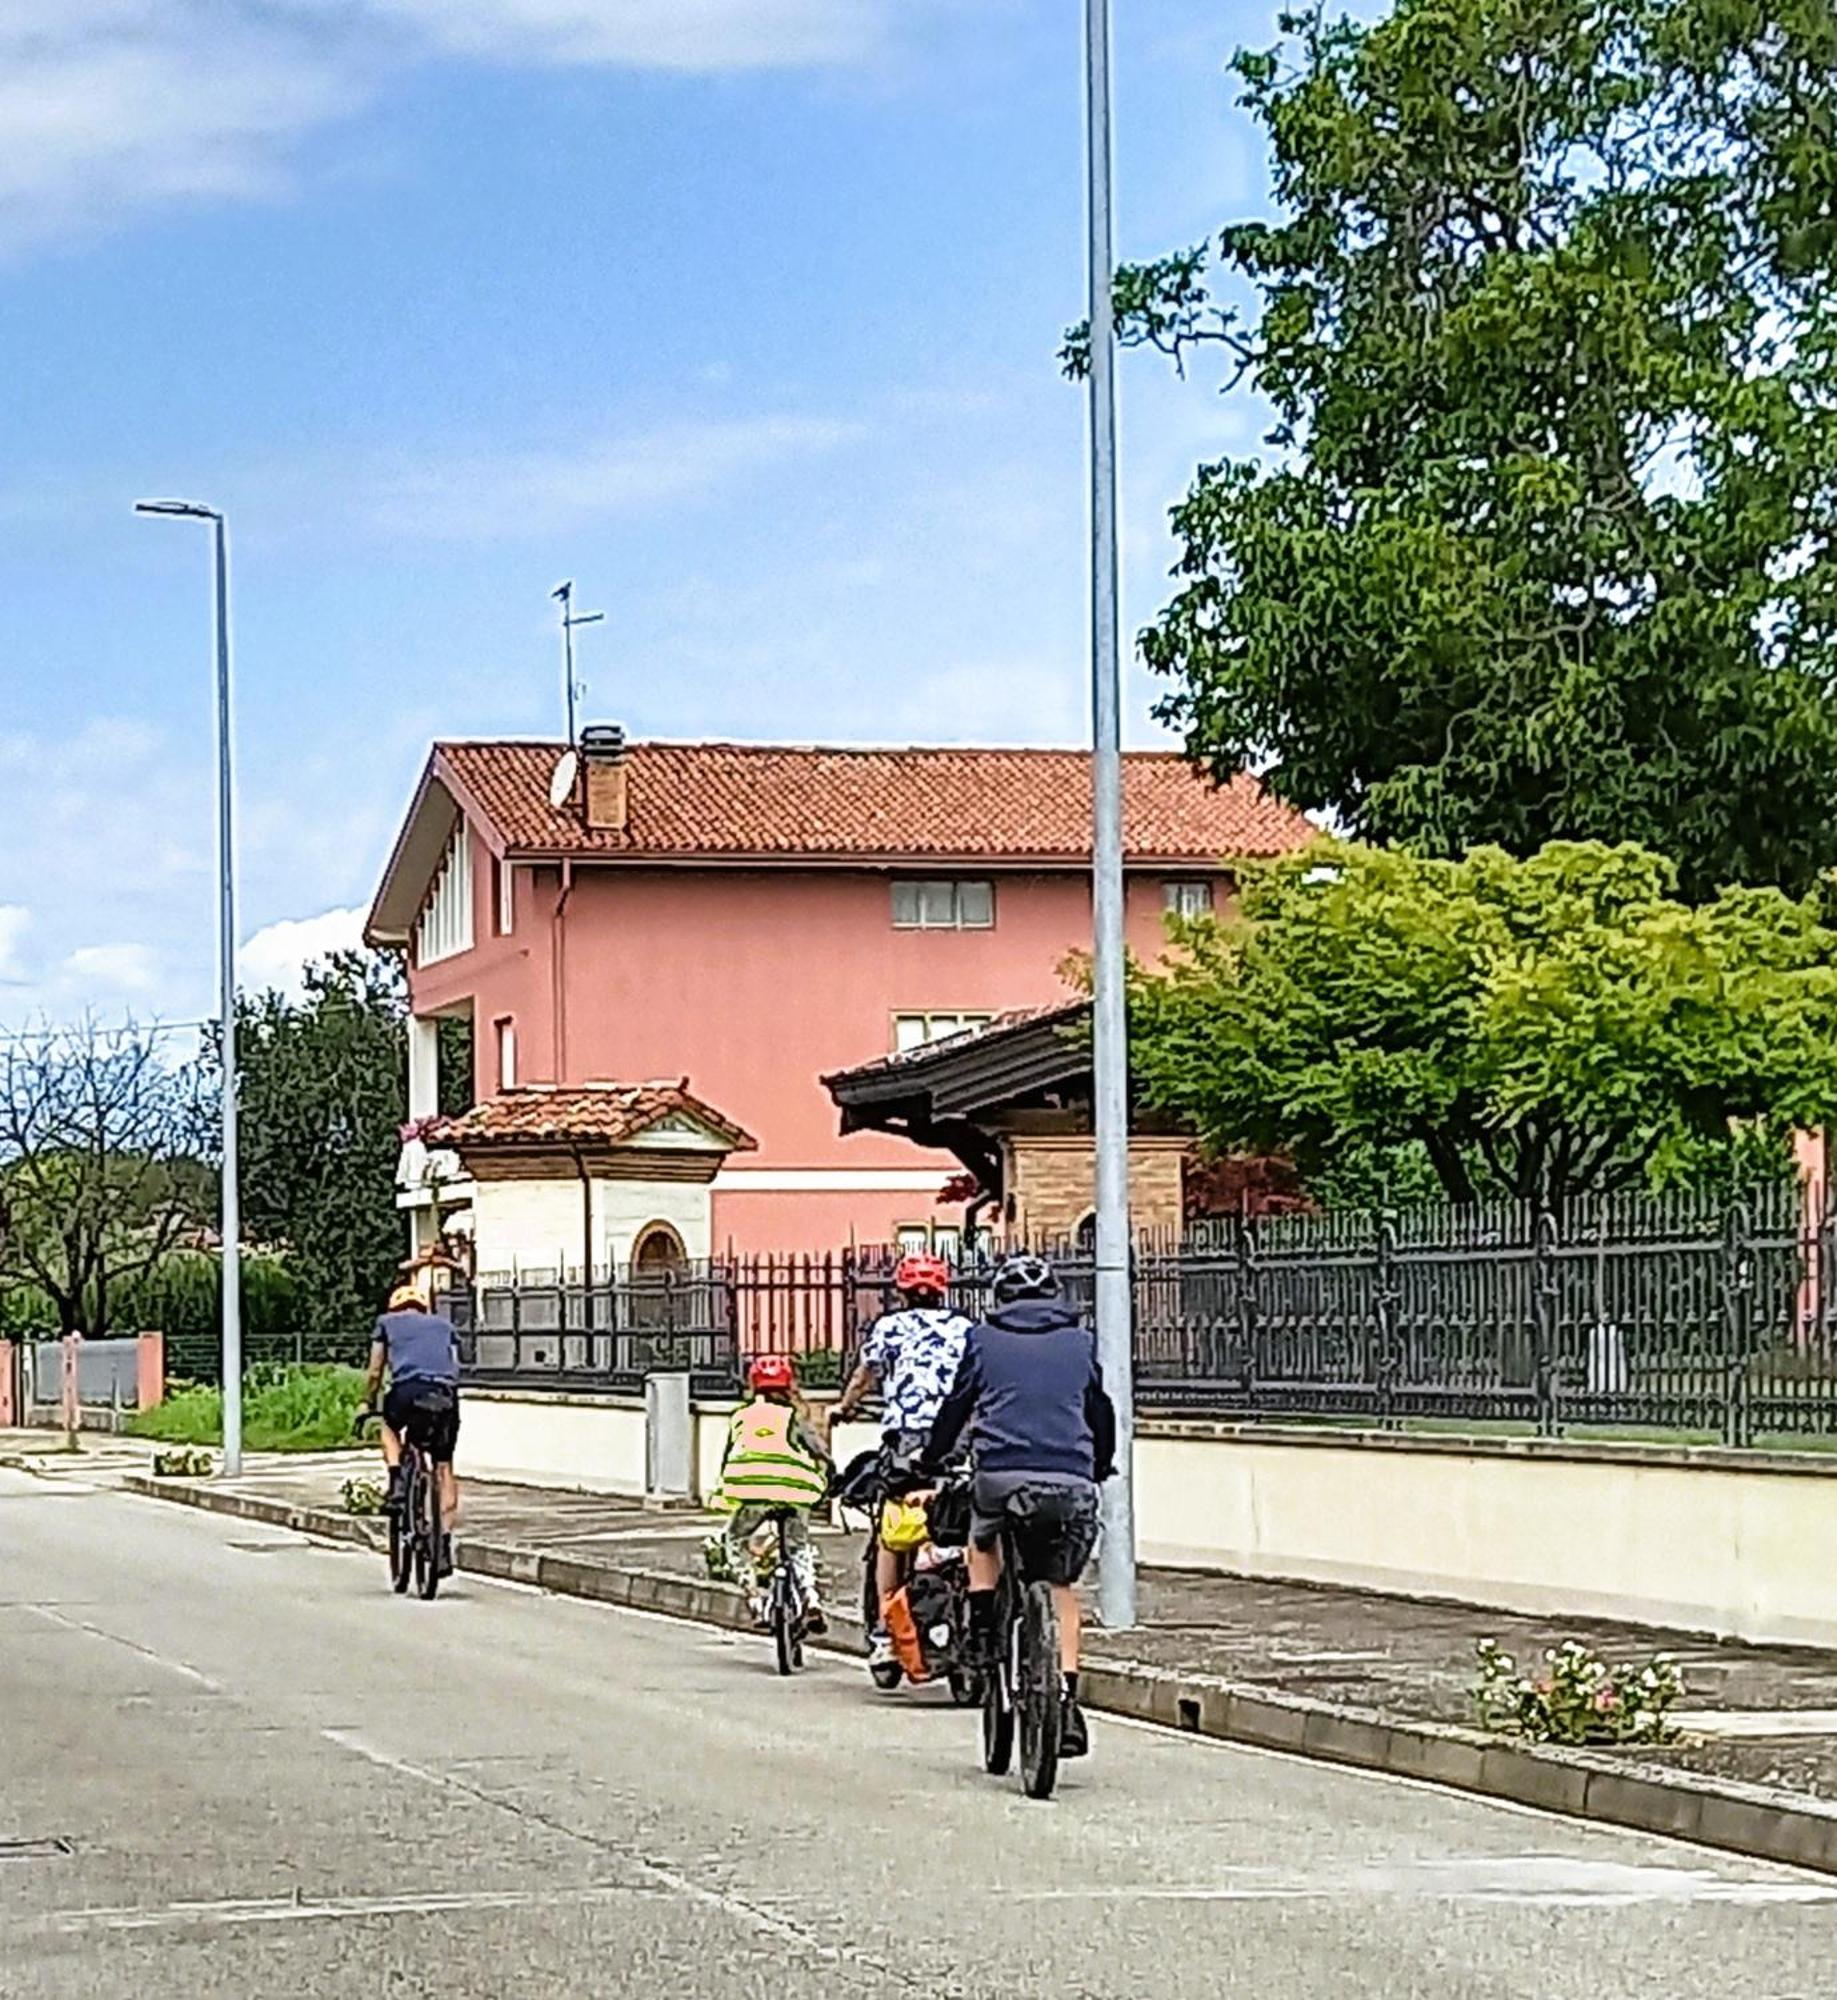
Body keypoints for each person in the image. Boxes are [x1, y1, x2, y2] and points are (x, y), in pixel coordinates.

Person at [919, 1251, 1115, 1759]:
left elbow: (957, 1407)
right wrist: (1099, 1464)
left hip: (1000, 1473)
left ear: (999, 1300)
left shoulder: (982, 1340)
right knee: (1059, 1586)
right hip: (1070, 1476)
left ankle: (984, 1630)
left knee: (981, 1538)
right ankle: (1067, 1700)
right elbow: (1100, 1410)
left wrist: (930, 1459)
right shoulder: (1080, 1342)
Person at [832, 1251, 972, 1668]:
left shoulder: (889, 1327)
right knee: (960, 1513)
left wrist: (844, 1407)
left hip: (908, 1440)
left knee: (892, 1533)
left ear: (903, 1292)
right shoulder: (965, 1327)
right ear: (942, 1290)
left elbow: (865, 1375)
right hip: (960, 1436)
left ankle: (883, 1633)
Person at [717, 1355, 832, 1633]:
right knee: (798, 1546)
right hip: (793, 1492)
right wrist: (831, 1472)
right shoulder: (793, 1416)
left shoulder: (741, 1417)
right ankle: (810, 1598)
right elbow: (817, 1450)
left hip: (753, 1492)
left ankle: (755, 1600)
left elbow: (728, 1457)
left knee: (733, 1539)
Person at [359, 1282, 462, 1577]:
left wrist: (367, 1401)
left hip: (407, 1391)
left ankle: (397, 1483)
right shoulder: (444, 1326)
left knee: (389, 1426)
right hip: (444, 1396)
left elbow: (376, 1370)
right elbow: (455, 1368)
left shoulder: (386, 1323)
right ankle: (443, 1546)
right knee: (444, 1467)